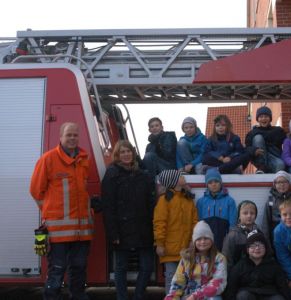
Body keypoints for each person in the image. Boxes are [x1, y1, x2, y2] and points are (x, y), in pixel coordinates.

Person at [29, 122, 93, 300]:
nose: (72, 138)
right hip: (58, 233)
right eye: (68, 135)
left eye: (75, 135)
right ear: (61, 137)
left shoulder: (83, 160)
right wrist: (50, 211)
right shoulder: (48, 159)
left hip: (82, 232)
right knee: (56, 271)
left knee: (79, 270)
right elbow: (35, 190)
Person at [102, 140, 155, 300]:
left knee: (147, 267)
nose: (126, 155)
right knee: (121, 267)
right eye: (122, 152)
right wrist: (113, 233)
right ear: (117, 155)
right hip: (121, 228)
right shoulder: (111, 174)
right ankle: (122, 297)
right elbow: (108, 205)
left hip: (143, 227)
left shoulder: (143, 174)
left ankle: (138, 295)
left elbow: (151, 202)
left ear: (133, 153)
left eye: (128, 151)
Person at [153, 169, 198, 294]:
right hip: (169, 250)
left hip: (186, 249)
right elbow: (159, 223)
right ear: (174, 181)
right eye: (180, 176)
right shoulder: (164, 200)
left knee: (187, 280)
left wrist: (192, 241)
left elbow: (195, 221)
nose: (183, 177)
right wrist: (160, 244)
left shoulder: (188, 198)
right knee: (172, 280)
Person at [165, 220, 227, 300]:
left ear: (212, 240)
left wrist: (195, 296)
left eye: (206, 238)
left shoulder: (219, 259)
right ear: (194, 241)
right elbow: (178, 282)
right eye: (199, 239)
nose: (203, 242)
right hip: (187, 296)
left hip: (207, 296)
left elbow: (218, 283)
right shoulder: (187, 258)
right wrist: (172, 297)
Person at [225, 230, 291, 300]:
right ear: (247, 250)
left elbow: (283, 286)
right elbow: (231, 288)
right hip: (248, 294)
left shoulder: (273, 265)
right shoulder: (240, 266)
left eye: (261, 245)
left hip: (269, 294)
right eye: (253, 246)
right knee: (243, 295)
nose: (257, 248)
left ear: (266, 248)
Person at [196, 168, 237, 250]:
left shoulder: (229, 200)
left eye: (216, 181)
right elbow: (199, 222)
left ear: (220, 183)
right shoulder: (201, 202)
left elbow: (233, 224)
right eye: (210, 182)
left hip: (223, 238)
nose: (213, 184)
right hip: (206, 240)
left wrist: (230, 237)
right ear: (206, 185)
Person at [222, 200, 267, 273]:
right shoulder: (232, 235)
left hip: (257, 274)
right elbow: (227, 259)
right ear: (239, 216)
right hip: (238, 275)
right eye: (245, 213)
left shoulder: (260, 233)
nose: (249, 216)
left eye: (252, 213)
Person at [261, 171, 291, 241]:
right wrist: (266, 240)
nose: (282, 185)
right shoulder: (271, 200)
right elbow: (265, 221)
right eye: (279, 182)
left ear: (289, 184)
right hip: (276, 235)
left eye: (285, 182)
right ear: (274, 184)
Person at [245, 106, 286, 174]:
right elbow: (247, 148)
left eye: (266, 116)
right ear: (257, 119)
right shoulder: (252, 132)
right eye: (261, 117)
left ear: (270, 118)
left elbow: (288, 142)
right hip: (260, 157)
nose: (263, 118)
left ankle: (276, 180)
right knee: (258, 137)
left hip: (274, 157)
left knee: (280, 165)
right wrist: (253, 151)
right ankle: (261, 167)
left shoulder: (278, 131)